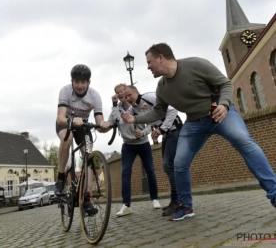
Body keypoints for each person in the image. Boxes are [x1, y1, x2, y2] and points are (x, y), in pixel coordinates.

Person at [121, 43, 276, 221]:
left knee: (244, 141)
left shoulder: (196, 65)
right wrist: (134, 119)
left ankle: (274, 193)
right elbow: (158, 112)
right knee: (179, 162)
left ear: (161, 57)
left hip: (220, 114)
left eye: (149, 62)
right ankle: (186, 206)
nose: (147, 66)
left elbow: (225, 83)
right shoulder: (162, 87)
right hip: (194, 123)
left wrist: (224, 104)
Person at [55, 64, 109, 213]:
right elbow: (60, 118)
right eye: (76, 82)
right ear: (72, 81)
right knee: (68, 138)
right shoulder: (65, 91)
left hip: (83, 127)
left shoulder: (94, 96)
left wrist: (104, 125)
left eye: (83, 82)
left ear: (88, 83)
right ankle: (60, 178)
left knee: (89, 155)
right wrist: (72, 120)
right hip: (66, 123)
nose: (79, 86)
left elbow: (99, 122)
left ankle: (86, 198)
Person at [123, 85, 183, 216]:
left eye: (129, 95)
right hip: (167, 134)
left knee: (169, 165)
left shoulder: (149, 97)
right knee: (168, 166)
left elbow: (172, 110)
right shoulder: (134, 109)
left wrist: (161, 129)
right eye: (125, 97)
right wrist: (147, 132)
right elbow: (148, 122)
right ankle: (175, 200)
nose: (128, 98)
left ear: (136, 92)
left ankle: (178, 201)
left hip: (175, 130)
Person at [107, 83, 161, 217]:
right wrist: (112, 108)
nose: (120, 94)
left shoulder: (138, 105)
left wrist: (143, 133)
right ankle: (126, 205)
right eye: (117, 92)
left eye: (122, 91)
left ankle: (154, 199)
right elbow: (113, 122)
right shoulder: (116, 109)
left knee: (150, 170)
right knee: (125, 172)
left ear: (126, 92)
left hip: (143, 143)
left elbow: (151, 122)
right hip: (128, 145)